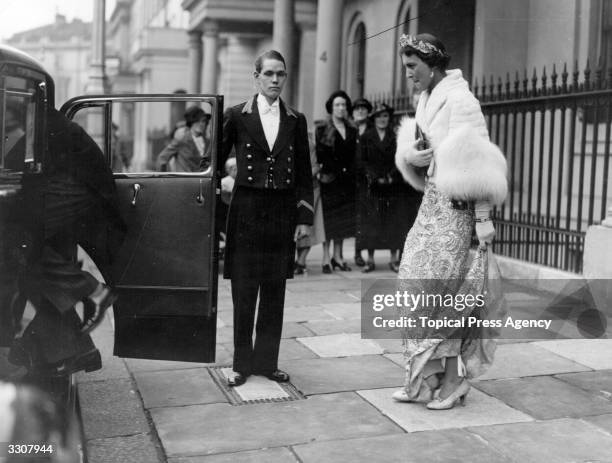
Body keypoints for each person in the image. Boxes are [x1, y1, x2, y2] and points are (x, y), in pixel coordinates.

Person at [393, 33, 507, 409]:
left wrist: (484, 217)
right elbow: (419, 150)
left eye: (413, 67)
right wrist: (412, 155)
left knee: (450, 295)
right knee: (417, 285)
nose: (409, 74)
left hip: (458, 212)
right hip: (431, 206)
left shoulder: (462, 100)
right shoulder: (425, 98)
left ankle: (453, 381)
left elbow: (480, 162)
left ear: (433, 63)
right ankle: (429, 375)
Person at [9, 108, 126, 377]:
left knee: (21, 246)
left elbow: (15, 160)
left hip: (77, 196)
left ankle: (92, 290)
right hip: (64, 197)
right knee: (33, 274)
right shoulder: (36, 119)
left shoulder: (42, 120)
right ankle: (80, 349)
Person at [220, 50, 313, 387]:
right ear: (256, 76)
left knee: (274, 291)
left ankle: (266, 362)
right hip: (245, 211)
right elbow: (213, 162)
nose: (275, 80)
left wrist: (304, 217)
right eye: (269, 73)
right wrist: (221, 190)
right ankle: (241, 364)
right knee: (245, 291)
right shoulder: (236, 115)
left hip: (280, 213)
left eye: (281, 74)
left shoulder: (295, 119)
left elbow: (304, 172)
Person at [357, 103, 417, 273]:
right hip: (374, 187)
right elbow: (362, 161)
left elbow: (401, 158)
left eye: (385, 116)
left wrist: (390, 176)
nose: (382, 119)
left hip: (393, 186)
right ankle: (370, 260)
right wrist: (375, 177)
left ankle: (393, 259)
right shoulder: (366, 137)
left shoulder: (395, 136)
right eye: (378, 116)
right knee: (372, 222)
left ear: (389, 118)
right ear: (373, 119)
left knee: (393, 222)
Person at [315, 90, 357, 273]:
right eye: (337, 105)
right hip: (330, 180)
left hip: (347, 181)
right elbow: (321, 154)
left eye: (344, 105)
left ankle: (338, 257)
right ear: (331, 108)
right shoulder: (322, 129)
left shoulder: (352, 129)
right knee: (329, 220)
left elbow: (354, 156)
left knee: (343, 220)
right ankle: (326, 257)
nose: (341, 108)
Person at [294, 132, 326, 275]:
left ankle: (301, 261)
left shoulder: (308, 143)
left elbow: (315, 166)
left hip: (309, 189)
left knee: (308, 225)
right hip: (289, 190)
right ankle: (296, 261)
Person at [351, 97, 373, 268]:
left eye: (364, 109)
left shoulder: (372, 130)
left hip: (367, 180)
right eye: (357, 109)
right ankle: (356, 251)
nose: (360, 112)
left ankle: (360, 252)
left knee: (365, 216)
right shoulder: (350, 129)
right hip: (351, 178)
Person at [156, 106, 211, 172]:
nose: (201, 124)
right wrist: (164, 179)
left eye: (203, 121)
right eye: (197, 121)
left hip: (203, 181)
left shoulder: (208, 142)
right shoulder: (182, 139)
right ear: (191, 122)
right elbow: (162, 158)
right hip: (185, 180)